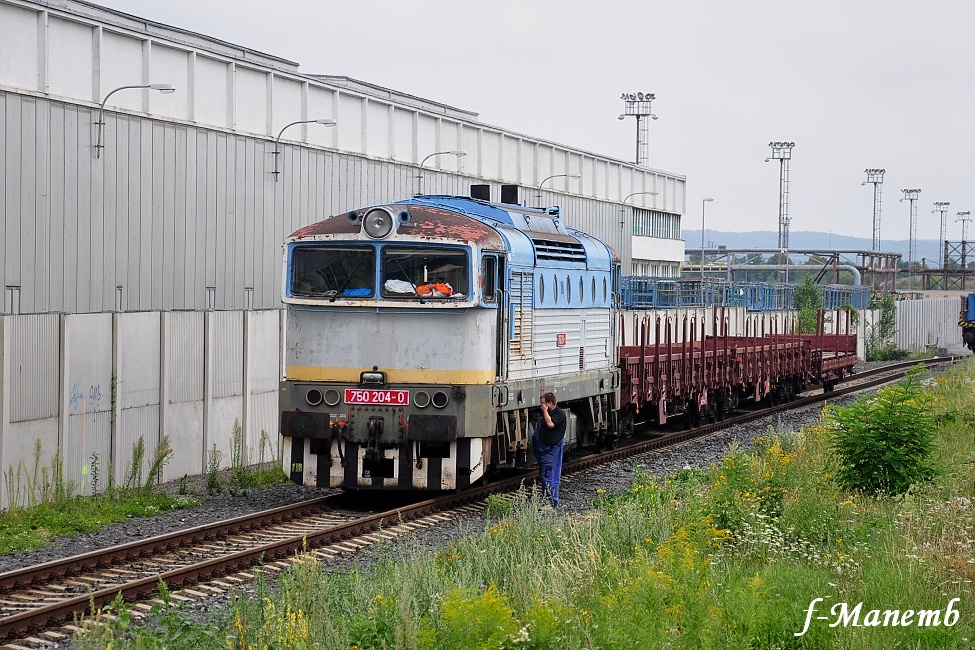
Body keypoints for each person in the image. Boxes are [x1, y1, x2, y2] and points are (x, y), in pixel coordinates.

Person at [534, 391, 566, 508]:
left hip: (550, 451)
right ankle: (548, 501)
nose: (541, 405)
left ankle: (551, 503)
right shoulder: (549, 412)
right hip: (544, 451)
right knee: (545, 476)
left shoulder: (559, 414)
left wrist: (544, 410)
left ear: (550, 403)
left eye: (543, 403)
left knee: (549, 476)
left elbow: (550, 424)